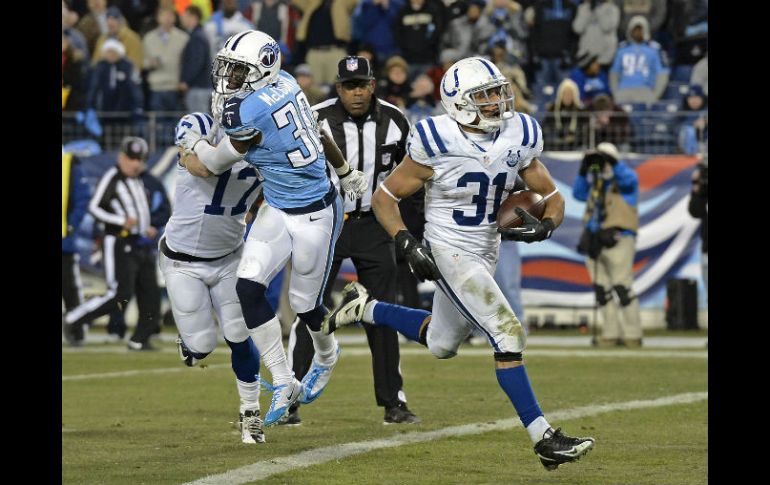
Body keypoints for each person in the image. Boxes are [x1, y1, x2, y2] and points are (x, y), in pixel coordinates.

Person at [322, 56, 596, 471]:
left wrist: (547, 226)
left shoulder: (519, 133)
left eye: (497, 92)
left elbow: (552, 196)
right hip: (449, 248)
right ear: (458, 102)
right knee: (507, 332)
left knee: (442, 345)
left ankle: (366, 308)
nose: (497, 101)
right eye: (484, 95)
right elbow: (384, 198)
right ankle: (543, 436)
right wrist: (406, 241)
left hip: (486, 248)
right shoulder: (437, 139)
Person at [175, 30, 368, 426]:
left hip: (316, 210)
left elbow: (209, 165)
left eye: (237, 71)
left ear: (262, 69)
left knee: (305, 305)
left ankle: (328, 357)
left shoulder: (246, 112)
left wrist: (189, 144)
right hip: (278, 206)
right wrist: (346, 170)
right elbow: (317, 128)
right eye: (227, 69)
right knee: (248, 287)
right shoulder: (286, 82)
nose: (228, 79)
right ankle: (283, 379)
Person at [286, 56, 420, 426]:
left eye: (362, 85)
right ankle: (291, 394)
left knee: (382, 312)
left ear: (373, 85)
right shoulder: (314, 116)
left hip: (375, 225)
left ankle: (393, 401)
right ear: (338, 88)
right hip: (326, 223)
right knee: (308, 308)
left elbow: (413, 174)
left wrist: (410, 228)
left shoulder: (395, 120)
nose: (356, 93)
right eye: (349, 86)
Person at [163, 112, 267, 444]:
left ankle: (250, 411)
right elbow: (204, 167)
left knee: (238, 332)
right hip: (183, 262)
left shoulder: (269, 140)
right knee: (202, 346)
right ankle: (190, 345)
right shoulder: (200, 125)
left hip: (229, 257)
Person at [63, 137, 162, 351]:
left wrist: (147, 227)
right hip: (117, 240)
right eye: (132, 158)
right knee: (118, 293)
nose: (136, 163)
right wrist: (120, 221)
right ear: (121, 157)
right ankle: (73, 318)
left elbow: (139, 211)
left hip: (139, 242)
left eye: (140, 159)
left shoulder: (139, 180)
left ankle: (140, 339)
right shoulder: (112, 178)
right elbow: (95, 207)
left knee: (150, 292)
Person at [573, 142, 642, 347]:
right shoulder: (596, 183)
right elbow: (578, 193)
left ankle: (632, 334)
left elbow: (630, 180)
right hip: (595, 239)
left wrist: (613, 162)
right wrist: (584, 169)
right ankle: (610, 334)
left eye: (604, 159)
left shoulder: (624, 182)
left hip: (619, 238)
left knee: (622, 286)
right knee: (601, 289)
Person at [62, 149, 92, 346]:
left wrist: (70, 225)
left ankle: (77, 331)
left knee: (70, 288)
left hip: (63, 240)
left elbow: (82, 199)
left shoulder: (69, 161)